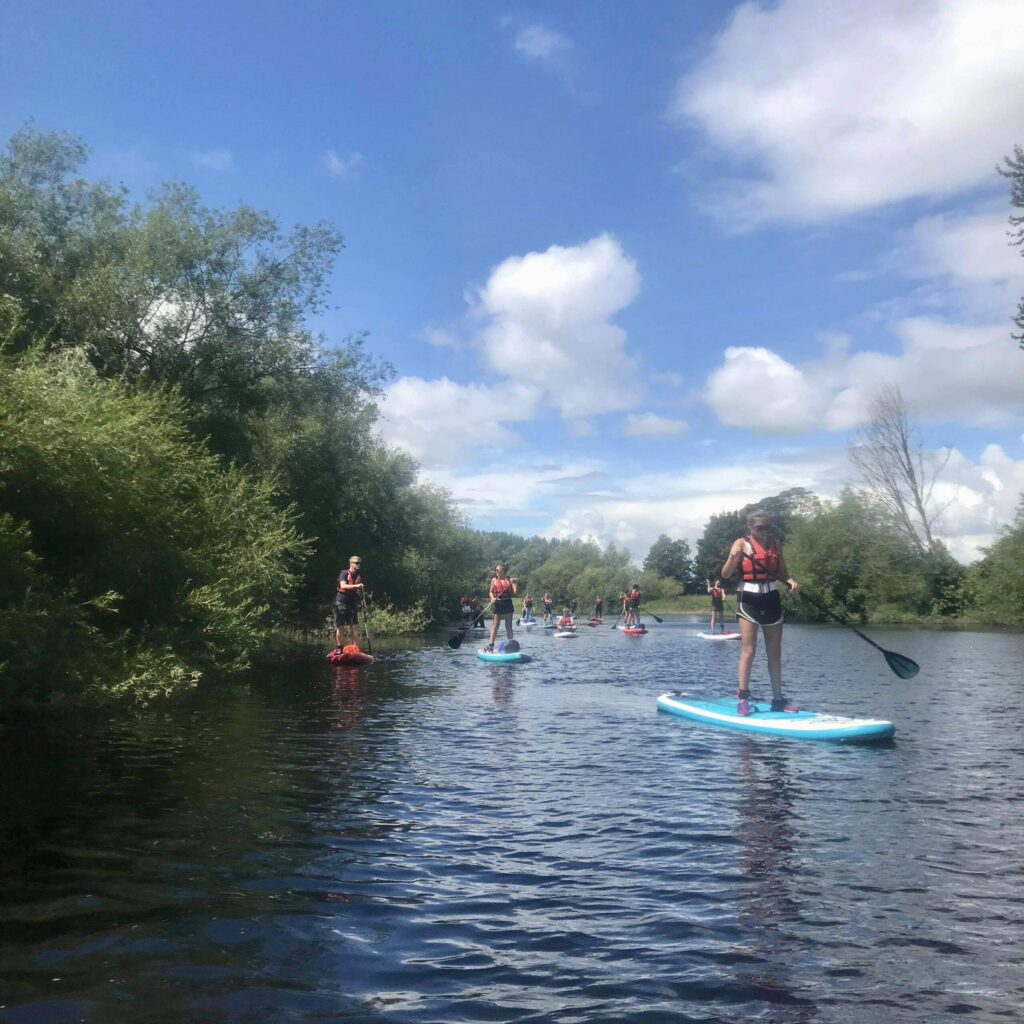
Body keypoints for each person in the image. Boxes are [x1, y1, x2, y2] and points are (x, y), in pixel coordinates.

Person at [721, 510, 800, 716]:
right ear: (750, 526)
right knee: (749, 651)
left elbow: (782, 572)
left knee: (775, 652)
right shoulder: (741, 544)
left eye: (767, 527)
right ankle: (742, 699)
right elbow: (726, 574)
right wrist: (733, 557)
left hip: (771, 598)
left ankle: (778, 700)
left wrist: (790, 581)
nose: (764, 531)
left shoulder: (775, 544)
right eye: (759, 528)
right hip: (749, 600)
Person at [334, 555, 365, 650]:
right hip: (342, 602)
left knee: (354, 626)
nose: (358, 565)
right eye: (356, 563)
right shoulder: (344, 573)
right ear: (351, 563)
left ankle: (355, 648)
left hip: (352, 602)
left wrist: (363, 601)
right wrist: (357, 586)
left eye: (359, 563)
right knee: (341, 626)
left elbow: (359, 590)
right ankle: (340, 648)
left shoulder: (358, 575)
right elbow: (343, 586)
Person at [486, 564, 519, 651]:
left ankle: (510, 644)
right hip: (498, 602)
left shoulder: (509, 580)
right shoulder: (494, 580)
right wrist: (492, 598)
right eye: (496, 570)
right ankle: (491, 645)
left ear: (503, 571)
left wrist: (515, 589)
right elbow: (490, 592)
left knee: (508, 625)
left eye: (498, 570)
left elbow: (515, 581)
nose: (496, 572)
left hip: (507, 602)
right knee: (495, 625)